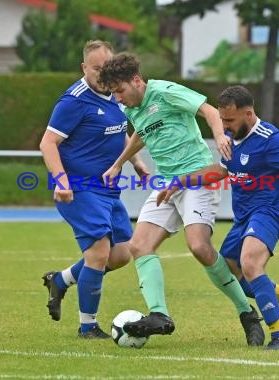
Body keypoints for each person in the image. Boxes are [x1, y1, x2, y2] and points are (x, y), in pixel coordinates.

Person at [99, 53, 266, 346]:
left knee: (199, 246)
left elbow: (209, 110)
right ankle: (159, 315)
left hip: (196, 178)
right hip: (166, 182)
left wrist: (220, 137)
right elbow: (142, 132)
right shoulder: (133, 106)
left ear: (137, 81)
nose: (118, 98)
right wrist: (118, 163)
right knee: (139, 245)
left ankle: (247, 313)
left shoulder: (165, 91)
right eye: (113, 93)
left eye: (120, 91)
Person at [158, 85, 279, 350]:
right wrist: (179, 182)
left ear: (248, 113)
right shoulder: (231, 139)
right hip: (243, 219)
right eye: (222, 119)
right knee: (232, 274)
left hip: (269, 211)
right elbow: (219, 171)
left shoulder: (270, 138)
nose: (224, 125)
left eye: (229, 120)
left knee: (250, 263)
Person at [39, 40, 149, 339]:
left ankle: (61, 281)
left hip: (108, 189)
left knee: (122, 253)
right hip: (78, 188)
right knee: (99, 252)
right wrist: (61, 181)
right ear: (84, 68)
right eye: (97, 69)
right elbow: (48, 143)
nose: (103, 74)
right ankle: (88, 326)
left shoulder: (115, 94)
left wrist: (137, 162)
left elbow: (121, 132)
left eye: (107, 68)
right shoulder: (74, 101)